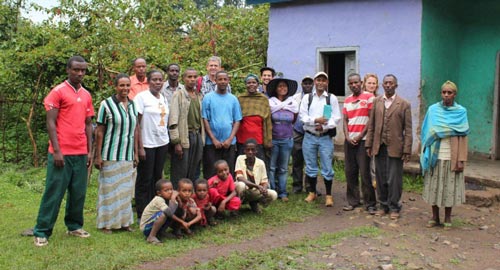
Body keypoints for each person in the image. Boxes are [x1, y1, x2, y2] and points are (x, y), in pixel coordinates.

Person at [33, 56, 94, 247]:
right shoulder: (57, 92)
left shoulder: (86, 95)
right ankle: (42, 231)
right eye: (76, 69)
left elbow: (88, 124)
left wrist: (90, 151)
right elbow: (50, 123)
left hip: (81, 151)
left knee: (78, 192)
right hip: (61, 152)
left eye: (83, 70)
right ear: (68, 70)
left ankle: (74, 225)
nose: (80, 73)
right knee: (54, 192)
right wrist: (57, 151)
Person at [420, 80, 469, 229]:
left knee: (449, 187)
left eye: (450, 92)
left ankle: (447, 217)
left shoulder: (461, 112)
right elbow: (427, 131)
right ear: (441, 93)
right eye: (444, 92)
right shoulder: (433, 110)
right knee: (434, 186)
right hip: (435, 154)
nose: (446, 95)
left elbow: (464, 135)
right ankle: (435, 217)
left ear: (455, 94)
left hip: (451, 155)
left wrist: (461, 159)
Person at [94, 73, 138, 234]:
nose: (125, 88)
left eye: (127, 85)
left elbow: (135, 130)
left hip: (127, 154)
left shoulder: (133, 105)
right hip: (110, 154)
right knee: (109, 190)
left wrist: (136, 153)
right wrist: (98, 155)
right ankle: (107, 224)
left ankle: (124, 223)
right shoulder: (106, 105)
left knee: (125, 190)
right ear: (116, 86)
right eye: (122, 85)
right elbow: (99, 131)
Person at [365, 74, 412, 220]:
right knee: (380, 177)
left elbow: (408, 129)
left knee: (394, 179)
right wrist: (369, 144)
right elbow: (371, 125)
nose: (388, 85)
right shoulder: (377, 102)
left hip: (395, 147)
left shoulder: (403, 104)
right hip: (379, 146)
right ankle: (383, 205)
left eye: (391, 83)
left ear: (396, 86)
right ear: (383, 85)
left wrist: (407, 149)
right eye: (386, 83)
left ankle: (394, 207)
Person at [299, 71, 341, 207]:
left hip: (325, 138)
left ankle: (329, 195)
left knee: (327, 167)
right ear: (314, 82)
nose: (321, 83)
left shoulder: (331, 98)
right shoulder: (307, 98)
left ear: (327, 83)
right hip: (309, 136)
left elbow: (336, 118)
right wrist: (315, 121)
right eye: (318, 80)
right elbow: (303, 116)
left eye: (324, 80)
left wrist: (325, 127)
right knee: (310, 166)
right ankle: (312, 192)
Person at [134, 70, 170, 220]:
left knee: (157, 178)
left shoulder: (163, 97)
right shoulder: (141, 98)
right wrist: (140, 147)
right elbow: (136, 123)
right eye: (154, 79)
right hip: (147, 144)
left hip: (162, 142)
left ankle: (155, 208)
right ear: (148, 81)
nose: (157, 82)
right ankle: (142, 211)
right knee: (145, 178)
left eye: (160, 80)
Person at [342, 73, 377, 214]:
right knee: (350, 172)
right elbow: (345, 120)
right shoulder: (347, 100)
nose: (354, 85)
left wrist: (361, 135)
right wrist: (347, 136)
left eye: (356, 82)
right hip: (349, 141)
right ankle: (353, 201)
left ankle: (370, 203)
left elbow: (371, 119)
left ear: (361, 83)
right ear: (348, 85)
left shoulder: (369, 97)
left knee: (365, 173)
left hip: (363, 141)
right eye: (351, 83)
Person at [202, 70, 242, 178]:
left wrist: (230, 139)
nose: (223, 82)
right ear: (215, 81)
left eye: (225, 79)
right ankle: (211, 193)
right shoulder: (208, 98)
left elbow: (237, 120)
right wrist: (213, 139)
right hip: (212, 142)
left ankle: (228, 193)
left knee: (228, 172)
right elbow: (205, 119)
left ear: (228, 81)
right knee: (211, 170)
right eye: (220, 79)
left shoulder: (233, 99)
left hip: (229, 143)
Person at [168, 68, 204, 189]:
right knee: (180, 170)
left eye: (194, 77)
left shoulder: (199, 96)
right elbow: (173, 120)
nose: (192, 80)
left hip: (197, 136)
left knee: (194, 169)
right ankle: (176, 201)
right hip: (184, 136)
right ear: (183, 79)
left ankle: (190, 199)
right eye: (189, 77)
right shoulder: (178, 95)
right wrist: (176, 142)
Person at [268, 77, 299, 201]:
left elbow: (294, 119)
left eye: (284, 86)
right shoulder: (270, 103)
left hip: (287, 140)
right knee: (272, 167)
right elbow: (268, 121)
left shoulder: (292, 104)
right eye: (280, 86)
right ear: (275, 89)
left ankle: (283, 192)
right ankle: (272, 191)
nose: (282, 88)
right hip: (274, 139)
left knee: (283, 168)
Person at [235, 139, 277, 213]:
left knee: (273, 194)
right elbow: (240, 178)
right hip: (244, 189)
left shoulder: (261, 163)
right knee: (240, 185)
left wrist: (263, 189)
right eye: (248, 150)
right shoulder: (240, 158)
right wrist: (257, 186)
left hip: (255, 191)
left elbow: (264, 181)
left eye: (252, 150)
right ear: (244, 151)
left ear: (256, 151)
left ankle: (254, 203)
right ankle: (236, 207)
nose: (250, 152)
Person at [236, 74, 272, 161]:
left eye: (253, 82)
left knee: (258, 166)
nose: (251, 84)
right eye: (248, 83)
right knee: (242, 165)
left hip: (258, 139)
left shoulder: (263, 99)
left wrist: (267, 140)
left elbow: (267, 121)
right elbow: (236, 119)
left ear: (257, 84)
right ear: (245, 85)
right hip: (242, 139)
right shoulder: (240, 99)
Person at [291, 76, 314, 193]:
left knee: (311, 160)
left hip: (312, 132)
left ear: (313, 85)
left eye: (310, 83)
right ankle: (297, 186)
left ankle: (311, 186)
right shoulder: (295, 98)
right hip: (297, 131)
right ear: (301, 84)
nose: (308, 85)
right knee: (297, 160)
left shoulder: (317, 97)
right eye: (305, 83)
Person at [140, 179, 178, 245]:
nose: (170, 192)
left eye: (171, 189)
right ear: (159, 193)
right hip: (146, 228)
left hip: (153, 224)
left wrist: (176, 200)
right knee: (163, 214)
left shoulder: (168, 200)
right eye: (166, 190)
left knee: (170, 212)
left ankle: (161, 233)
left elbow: (173, 211)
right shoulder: (158, 199)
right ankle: (151, 236)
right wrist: (173, 199)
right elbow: (169, 213)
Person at [363, 73, 379, 188]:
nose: (371, 85)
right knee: (365, 165)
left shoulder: (379, 100)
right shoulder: (360, 98)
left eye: (374, 83)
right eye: (369, 83)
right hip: (363, 135)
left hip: (375, 135)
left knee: (374, 164)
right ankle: (367, 189)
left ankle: (374, 187)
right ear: (364, 84)